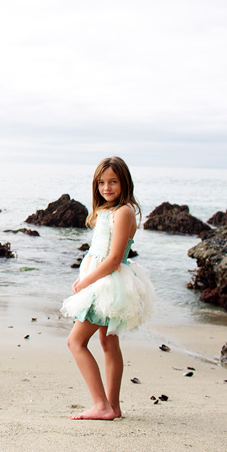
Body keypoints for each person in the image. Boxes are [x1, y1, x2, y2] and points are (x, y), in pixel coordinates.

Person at [60, 156, 155, 420]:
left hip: (107, 283)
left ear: (124, 182)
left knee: (75, 341)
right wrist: (85, 276)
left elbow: (114, 259)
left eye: (113, 182)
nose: (106, 188)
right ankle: (113, 406)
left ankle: (101, 406)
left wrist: (86, 282)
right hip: (102, 280)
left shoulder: (123, 211)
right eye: (101, 183)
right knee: (108, 341)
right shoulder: (107, 210)